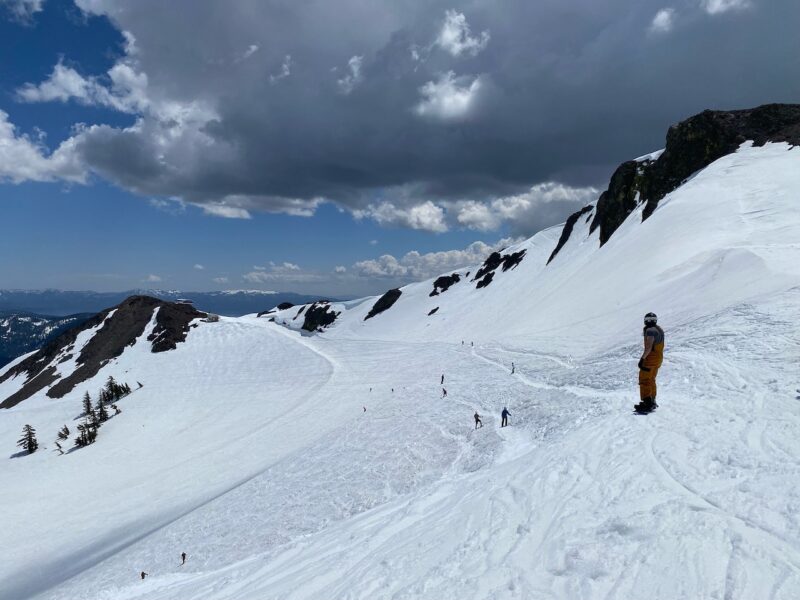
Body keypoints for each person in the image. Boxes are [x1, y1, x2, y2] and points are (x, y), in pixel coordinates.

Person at [636, 312, 664, 412]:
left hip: (650, 359)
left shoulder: (650, 330)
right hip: (658, 358)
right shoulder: (659, 329)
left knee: (645, 379)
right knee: (651, 379)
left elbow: (648, 347)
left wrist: (642, 359)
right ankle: (652, 401)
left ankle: (647, 403)